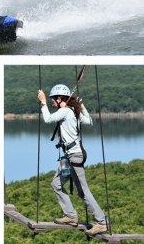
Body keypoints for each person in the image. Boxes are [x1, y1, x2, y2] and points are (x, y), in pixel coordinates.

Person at [37, 84, 107, 236]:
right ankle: (71, 216)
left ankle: (102, 222)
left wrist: (42, 102)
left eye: (52, 100)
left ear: (60, 98)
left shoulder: (65, 111)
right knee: (56, 183)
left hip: (74, 156)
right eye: (49, 100)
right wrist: (82, 106)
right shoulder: (74, 111)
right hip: (68, 157)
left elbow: (48, 119)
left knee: (83, 191)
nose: (51, 102)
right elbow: (88, 121)